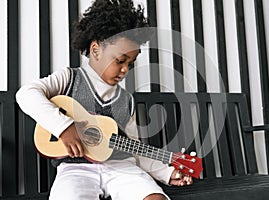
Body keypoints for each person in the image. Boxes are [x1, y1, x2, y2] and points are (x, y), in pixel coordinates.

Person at [16, 0, 193, 200]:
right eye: (120, 61)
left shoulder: (127, 101)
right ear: (96, 50)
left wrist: (167, 173)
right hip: (76, 169)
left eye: (130, 63)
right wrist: (64, 127)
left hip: (121, 167)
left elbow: (134, 149)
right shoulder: (69, 79)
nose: (125, 69)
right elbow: (26, 94)